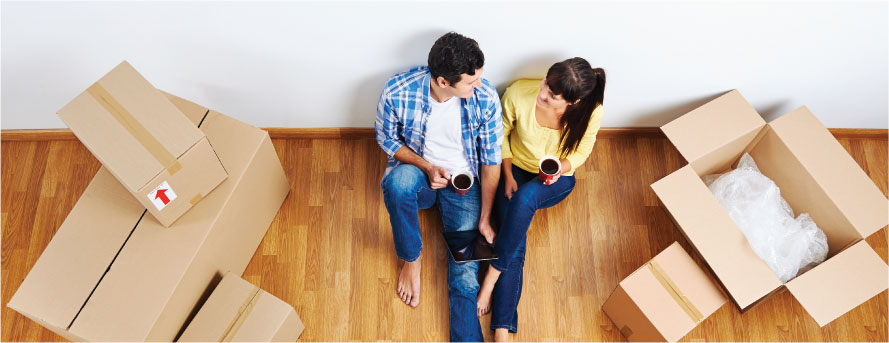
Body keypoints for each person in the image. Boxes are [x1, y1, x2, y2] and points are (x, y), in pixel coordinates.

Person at [375, 32, 503, 342]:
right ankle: (411, 260)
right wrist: (427, 167)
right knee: (397, 183)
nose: (479, 87)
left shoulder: (484, 97)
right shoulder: (398, 90)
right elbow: (387, 139)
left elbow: (490, 161)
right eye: (470, 83)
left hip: (465, 185)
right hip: (421, 175)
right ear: (444, 82)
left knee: (465, 276)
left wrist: (485, 216)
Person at [476, 58, 606, 342]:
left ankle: (491, 277)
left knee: (526, 199)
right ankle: (502, 330)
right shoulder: (518, 95)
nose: (542, 93)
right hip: (515, 171)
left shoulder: (590, 111)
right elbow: (501, 138)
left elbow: (581, 153)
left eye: (552, 95)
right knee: (517, 236)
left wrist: (562, 167)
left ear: (572, 102)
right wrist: (508, 174)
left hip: (555, 178)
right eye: (546, 83)